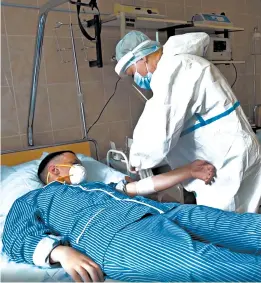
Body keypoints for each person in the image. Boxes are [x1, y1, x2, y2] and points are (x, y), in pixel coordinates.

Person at [3, 151, 261, 282]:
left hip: (165, 212)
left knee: (247, 228)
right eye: (74, 163)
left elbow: (145, 187)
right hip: (113, 237)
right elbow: (15, 236)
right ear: (54, 169)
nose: (81, 168)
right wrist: (60, 252)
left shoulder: (97, 187)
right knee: (203, 264)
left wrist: (188, 170)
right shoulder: (34, 199)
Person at [115, 31, 261, 213]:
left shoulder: (174, 69)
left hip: (227, 161)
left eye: (132, 73)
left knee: (225, 228)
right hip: (233, 151)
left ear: (141, 59)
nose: (137, 79)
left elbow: (160, 131)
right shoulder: (185, 64)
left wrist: (138, 159)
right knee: (247, 225)